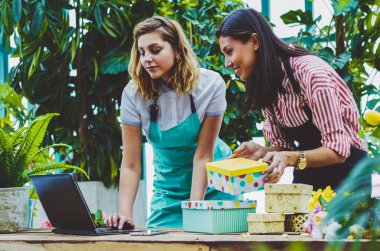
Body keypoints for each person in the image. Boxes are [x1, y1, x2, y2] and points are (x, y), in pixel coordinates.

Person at [105, 16, 237, 230]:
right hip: (168, 190)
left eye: (155, 50)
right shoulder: (133, 94)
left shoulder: (210, 85)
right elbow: (130, 164)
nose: (146, 58)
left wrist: (195, 211)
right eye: (142, 52)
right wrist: (124, 214)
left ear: (177, 50)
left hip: (214, 184)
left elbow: (203, 155)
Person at [216, 8, 367, 190]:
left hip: (350, 179)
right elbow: (284, 146)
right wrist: (262, 152)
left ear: (255, 41)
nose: (227, 63)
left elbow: (338, 152)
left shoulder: (311, 75)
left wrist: (290, 158)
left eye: (229, 51)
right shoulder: (266, 84)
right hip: (310, 177)